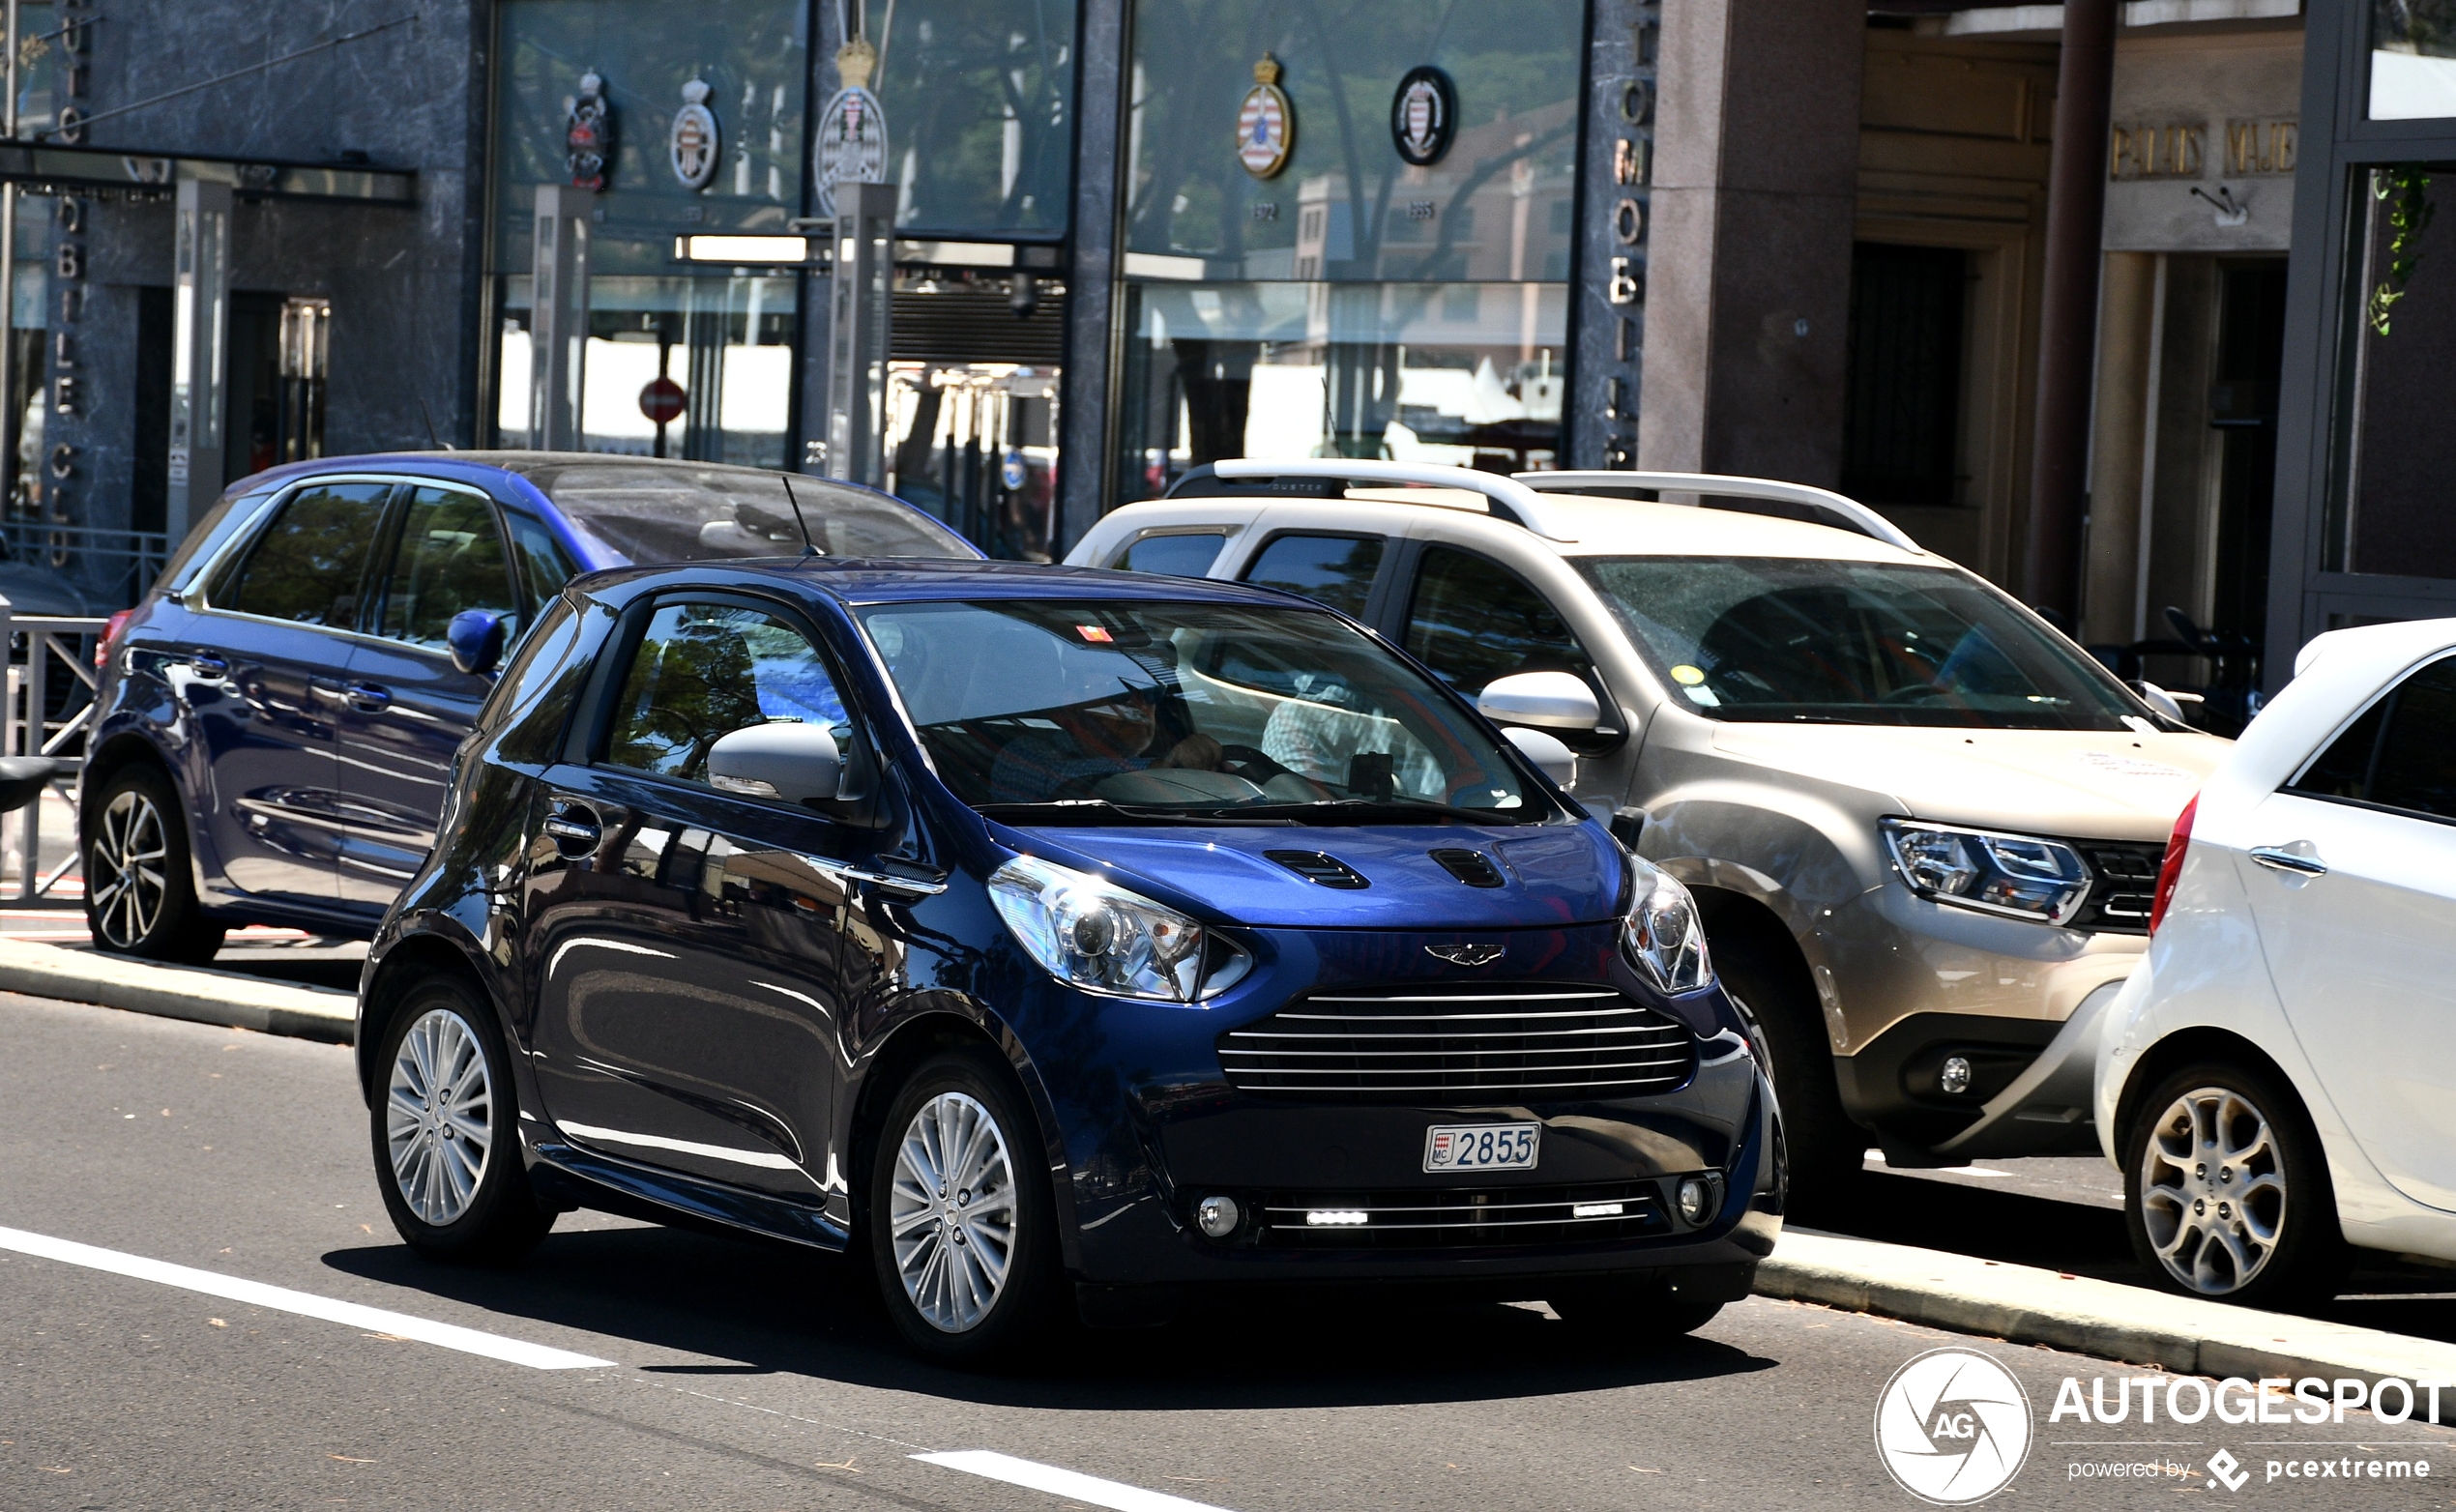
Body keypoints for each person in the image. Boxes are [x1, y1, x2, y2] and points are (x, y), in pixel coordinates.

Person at [987, 685, 1224, 802]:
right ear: (1075, 701)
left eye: (1151, 694)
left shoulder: (1165, 753)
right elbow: (1061, 779)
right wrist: (1161, 768)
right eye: (1122, 695)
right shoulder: (1023, 753)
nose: (1139, 708)